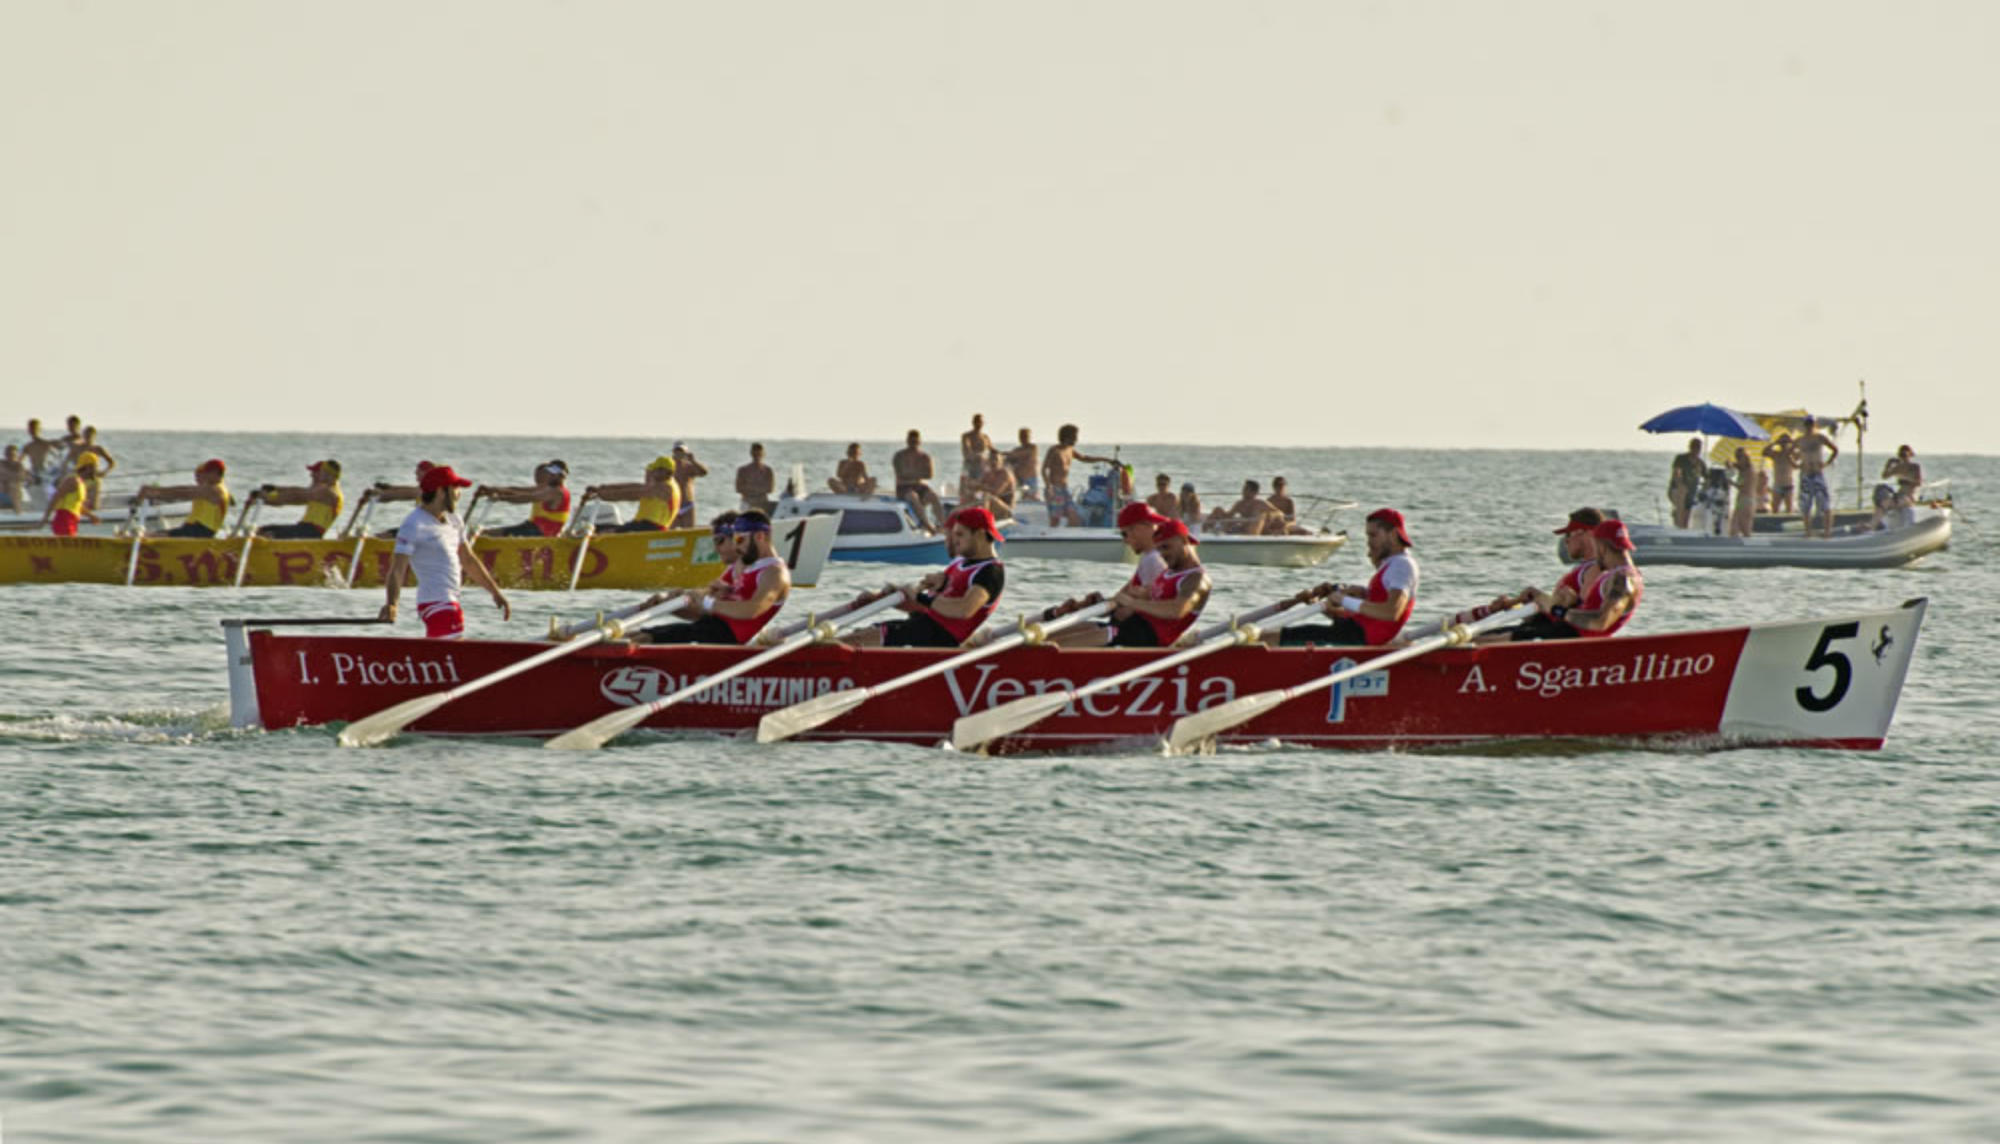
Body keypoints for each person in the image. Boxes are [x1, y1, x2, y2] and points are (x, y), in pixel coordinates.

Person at [380, 465, 510, 639]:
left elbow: (469, 560)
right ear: (441, 491)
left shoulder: (455, 520)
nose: (459, 494)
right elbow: (397, 569)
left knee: (443, 656)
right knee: (455, 653)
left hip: (450, 601)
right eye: (455, 488)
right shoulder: (413, 524)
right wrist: (391, 604)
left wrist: (495, 592)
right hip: (435, 603)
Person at [847, 507, 1007, 648]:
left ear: (979, 535)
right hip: (920, 628)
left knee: (855, 641)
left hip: (938, 639)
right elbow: (926, 607)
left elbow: (964, 610)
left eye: (960, 534)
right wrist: (880, 598)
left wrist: (919, 596)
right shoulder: (959, 564)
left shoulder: (991, 572)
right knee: (858, 634)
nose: (955, 540)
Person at [630, 512, 791, 645]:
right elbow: (706, 612)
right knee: (634, 635)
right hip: (708, 629)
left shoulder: (775, 574)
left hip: (726, 639)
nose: (736, 546)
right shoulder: (742, 566)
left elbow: (753, 610)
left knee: (644, 639)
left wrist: (706, 601)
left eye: (739, 539)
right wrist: (670, 604)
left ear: (760, 537)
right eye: (734, 539)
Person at [1277, 508, 1418, 647]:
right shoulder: (1393, 563)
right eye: (1368, 536)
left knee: (1274, 637)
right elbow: (1376, 604)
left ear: (1393, 534)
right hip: (1357, 629)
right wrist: (1327, 594)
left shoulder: (1402, 565)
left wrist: (1342, 599)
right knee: (1288, 630)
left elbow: (1391, 612)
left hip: (1360, 637)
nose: (1369, 543)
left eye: (1373, 535)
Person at [1468, 508, 1604, 643]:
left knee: (1476, 641)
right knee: (1473, 637)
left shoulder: (1595, 569)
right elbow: (1561, 606)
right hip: (1544, 626)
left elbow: (1583, 613)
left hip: (1558, 633)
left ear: (1586, 533)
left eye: (1568, 535)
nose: (1566, 541)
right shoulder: (1585, 568)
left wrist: (1543, 599)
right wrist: (1520, 603)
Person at [1528, 520, 1643, 636]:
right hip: (1567, 633)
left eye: (1595, 546)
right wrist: (1572, 602)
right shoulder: (1627, 575)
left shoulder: (1623, 580)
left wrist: (1557, 610)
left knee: (1509, 637)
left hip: (1572, 640)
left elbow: (1601, 621)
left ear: (1602, 547)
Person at [1041, 424, 1116, 528]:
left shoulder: (1070, 450)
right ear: (1068, 437)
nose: (1077, 439)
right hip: (1055, 490)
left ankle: (1067, 539)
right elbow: (1044, 469)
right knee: (1055, 520)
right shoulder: (1054, 450)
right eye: (1075, 436)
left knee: (1075, 518)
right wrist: (1048, 486)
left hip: (1064, 490)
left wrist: (1106, 459)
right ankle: (1050, 540)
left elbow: (1084, 458)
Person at [137, 459, 235, 538]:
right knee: (153, 534)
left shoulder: (214, 490)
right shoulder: (216, 487)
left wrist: (153, 491)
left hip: (201, 533)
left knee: (150, 537)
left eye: (206, 472)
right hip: (194, 529)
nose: (204, 475)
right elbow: (185, 490)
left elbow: (183, 493)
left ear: (215, 473)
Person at [584, 456, 681, 533]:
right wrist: (600, 489)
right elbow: (630, 487)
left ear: (666, 473)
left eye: (653, 471)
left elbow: (630, 494)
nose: (649, 475)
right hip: (642, 526)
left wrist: (603, 495)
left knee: (605, 531)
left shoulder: (664, 488)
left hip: (651, 528)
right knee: (598, 528)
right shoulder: (660, 485)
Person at [474, 461, 571, 538]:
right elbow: (518, 490)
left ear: (560, 476)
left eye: (552, 473)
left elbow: (527, 498)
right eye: (548, 472)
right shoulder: (546, 488)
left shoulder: (557, 492)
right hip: (532, 527)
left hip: (542, 533)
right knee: (486, 533)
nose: (548, 475)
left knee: (488, 534)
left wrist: (500, 498)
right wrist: (492, 489)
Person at [256, 459, 346, 538]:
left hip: (312, 532)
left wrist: (273, 493)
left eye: (319, 472)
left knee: (269, 533)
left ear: (328, 474)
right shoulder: (320, 491)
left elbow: (297, 495)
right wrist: (266, 499)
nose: (311, 475)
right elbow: (293, 499)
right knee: (263, 530)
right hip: (304, 528)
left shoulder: (328, 492)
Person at [1796, 415, 1841, 539]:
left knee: (1824, 505)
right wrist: (1795, 464)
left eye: (1811, 424)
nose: (1809, 427)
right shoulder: (1800, 440)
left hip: (1817, 473)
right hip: (1805, 474)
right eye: (1807, 424)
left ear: (1814, 425)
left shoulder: (1820, 438)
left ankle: (1827, 532)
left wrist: (1826, 463)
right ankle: (1808, 532)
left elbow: (1834, 450)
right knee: (1806, 505)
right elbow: (1790, 453)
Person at [892, 430, 945, 531]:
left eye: (916, 442)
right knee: (913, 496)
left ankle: (943, 525)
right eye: (912, 442)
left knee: (933, 496)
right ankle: (928, 526)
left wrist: (910, 473)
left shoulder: (925, 457)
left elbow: (929, 475)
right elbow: (901, 474)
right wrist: (918, 474)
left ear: (919, 442)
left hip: (920, 486)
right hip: (904, 487)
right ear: (907, 441)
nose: (914, 444)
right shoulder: (899, 456)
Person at [40, 455, 98, 535]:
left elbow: (77, 506)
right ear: (88, 467)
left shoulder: (81, 483)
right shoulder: (72, 480)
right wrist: (44, 520)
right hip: (64, 520)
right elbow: (55, 497)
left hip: (72, 520)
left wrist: (91, 516)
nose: (96, 470)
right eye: (95, 467)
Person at [1206, 479, 1283, 536]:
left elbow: (1279, 513)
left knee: (1258, 512)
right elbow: (1228, 516)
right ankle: (1202, 534)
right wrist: (1219, 512)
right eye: (1243, 489)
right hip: (1240, 530)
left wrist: (1270, 517)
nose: (1243, 491)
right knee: (1217, 509)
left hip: (1252, 533)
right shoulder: (1240, 504)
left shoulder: (1261, 503)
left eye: (1246, 489)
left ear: (1254, 492)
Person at [1668, 437, 1706, 529]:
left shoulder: (1700, 463)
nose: (1696, 450)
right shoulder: (1681, 459)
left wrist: (1704, 489)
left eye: (1698, 448)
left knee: (1686, 515)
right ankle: (1677, 527)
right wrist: (1680, 484)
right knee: (1680, 510)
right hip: (1678, 490)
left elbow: (1707, 478)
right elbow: (1676, 473)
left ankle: (1683, 529)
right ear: (1690, 447)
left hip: (1691, 493)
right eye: (1694, 447)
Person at [669, 441, 708, 527]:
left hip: (687, 504)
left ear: (686, 452)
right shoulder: (668, 467)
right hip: (672, 504)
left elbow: (704, 472)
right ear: (673, 452)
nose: (679, 454)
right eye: (677, 451)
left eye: (681, 451)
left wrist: (693, 461)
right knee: (671, 533)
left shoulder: (689, 467)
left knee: (689, 531)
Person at [1762, 432, 1799, 514]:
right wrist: (1775, 442)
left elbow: (1802, 452)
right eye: (1782, 442)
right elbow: (1764, 452)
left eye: (1785, 442)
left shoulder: (1792, 455)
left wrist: (1792, 442)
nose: (1784, 444)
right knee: (1775, 509)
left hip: (1788, 485)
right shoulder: (1776, 454)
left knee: (1789, 510)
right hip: (1778, 485)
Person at [736, 443, 776, 514]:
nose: (757, 455)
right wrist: (758, 489)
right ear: (751, 453)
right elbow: (738, 488)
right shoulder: (743, 470)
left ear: (763, 454)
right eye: (755, 453)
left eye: (759, 453)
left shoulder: (768, 470)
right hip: (747, 503)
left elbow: (770, 489)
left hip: (762, 503)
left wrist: (750, 488)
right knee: (743, 520)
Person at [1005, 428, 1041, 501]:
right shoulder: (1017, 449)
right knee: (1024, 496)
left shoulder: (1032, 448)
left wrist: (1008, 454)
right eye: (1021, 436)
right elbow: (1008, 460)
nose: (1023, 438)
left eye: (1025, 436)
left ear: (1029, 437)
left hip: (1030, 478)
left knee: (1032, 497)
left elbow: (1020, 453)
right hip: (1020, 478)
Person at [1728, 448, 1757, 538]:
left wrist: (1732, 483)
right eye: (1737, 457)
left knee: (1745, 530)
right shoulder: (1743, 468)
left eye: (1740, 457)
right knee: (1734, 527)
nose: (1738, 460)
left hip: (1747, 501)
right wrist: (1729, 465)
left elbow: (1744, 488)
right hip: (1741, 501)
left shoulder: (1749, 471)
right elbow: (1734, 465)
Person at [21, 419, 60, 485]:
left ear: (40, 429)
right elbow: (20, 461)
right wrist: (26, 472)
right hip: (33, 473)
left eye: (35, 428)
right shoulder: (28, 446)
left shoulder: (45, 443)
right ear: (28, 430)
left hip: (44, 473)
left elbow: (57, 456)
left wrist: (52, 465)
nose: (33, 430)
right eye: (31, 428)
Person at [960, 414, 993, 483]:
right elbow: (967, 448)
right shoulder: (966, 436)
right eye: (977, 421)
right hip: (970, 463)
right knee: (968, 483)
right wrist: (977, 455)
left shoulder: (985, 437)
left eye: (981, 422)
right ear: (973, 422)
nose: (979, 424)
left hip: (982, 465)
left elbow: (992, 449)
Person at [0, 445, 28, 511]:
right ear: (5, 454)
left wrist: (6, 476)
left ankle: (18, 511)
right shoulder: (1, 463)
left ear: (16, 455)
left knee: (12, 485)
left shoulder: (19, 466)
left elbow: (22, 477)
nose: (10, 456)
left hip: (14, 494)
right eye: (8, 454)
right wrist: (12, 476)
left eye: (12, 454)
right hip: (2, 492)